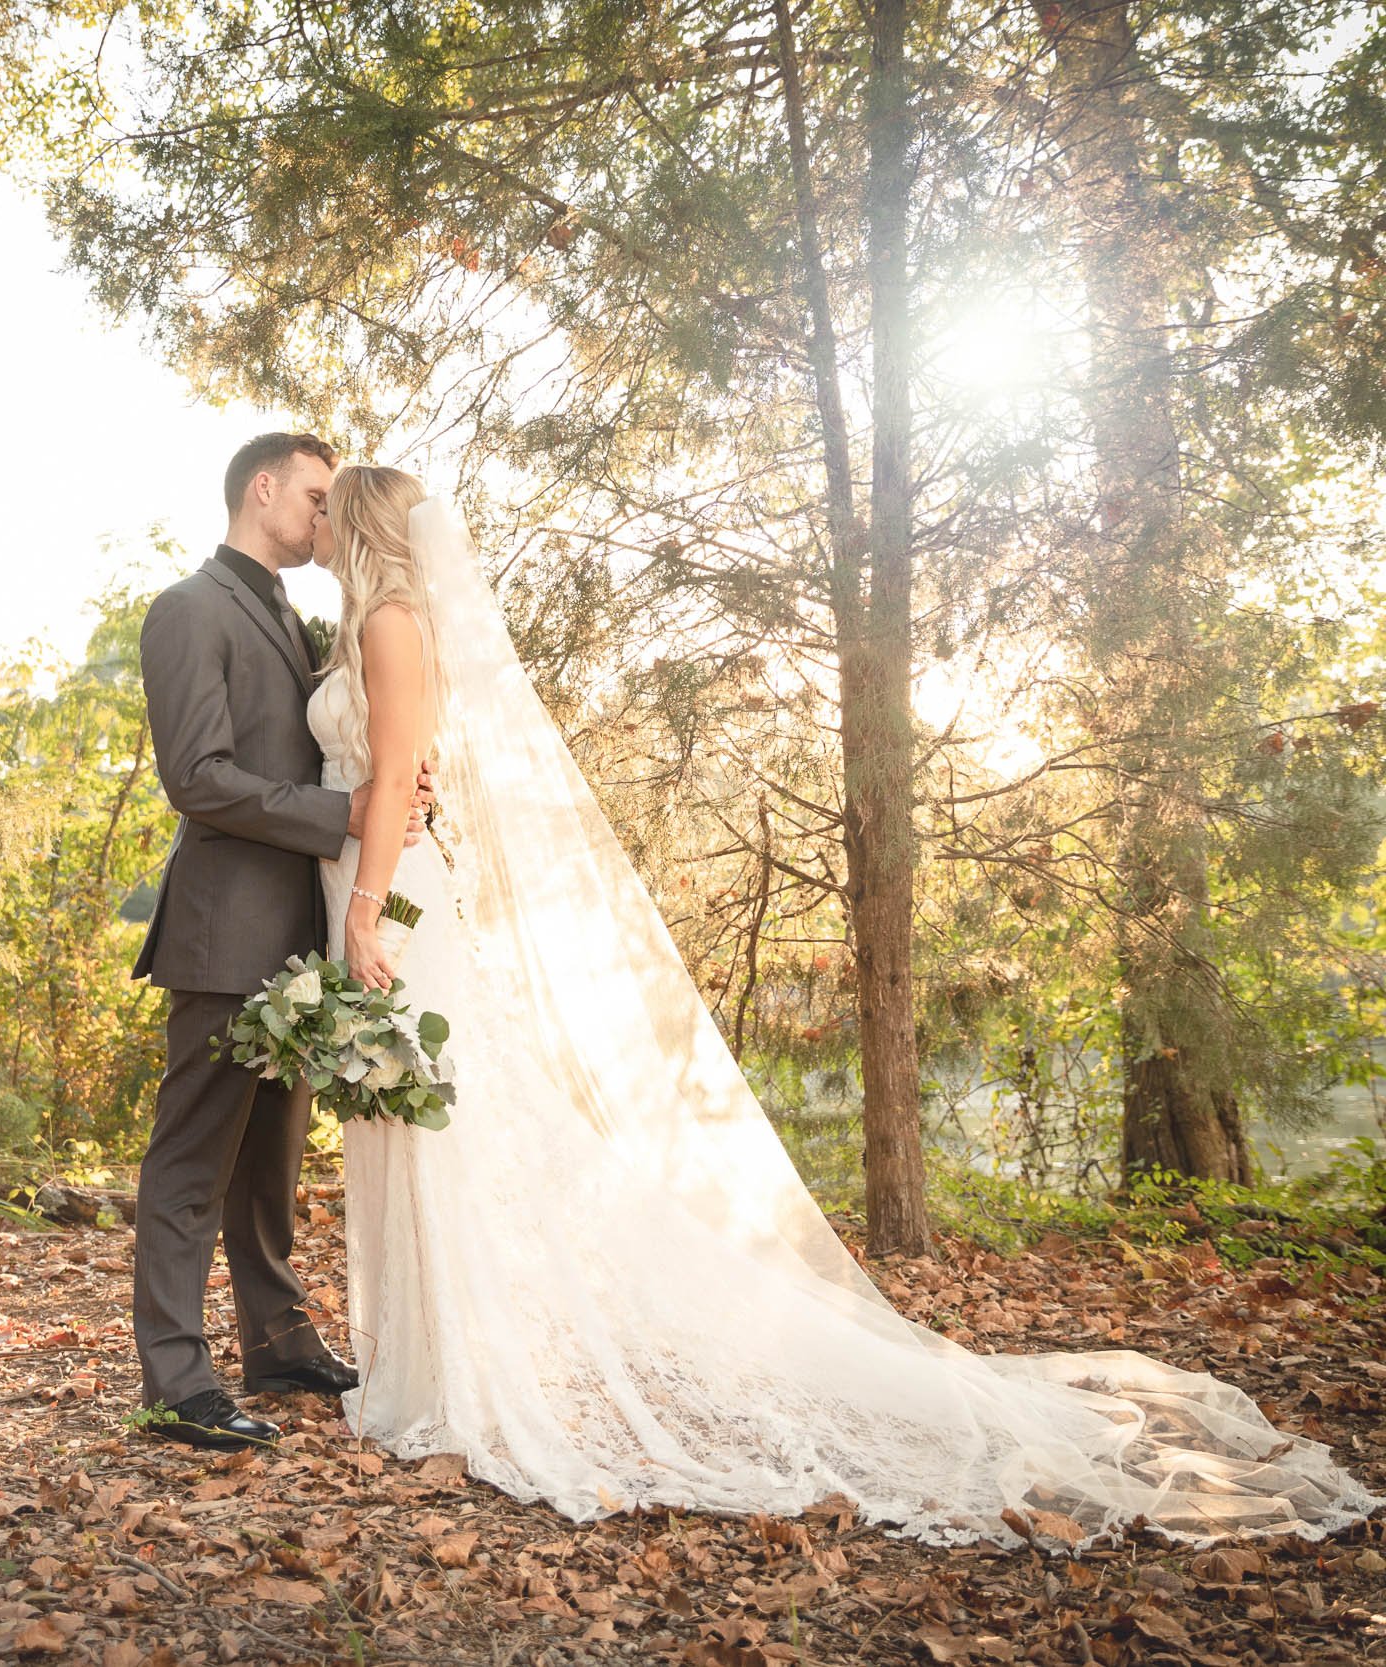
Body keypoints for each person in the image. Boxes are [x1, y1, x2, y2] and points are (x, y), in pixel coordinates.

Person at [305, 464, 1381, 1547]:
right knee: (412, 1121)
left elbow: (396, 777)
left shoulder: (394, 621)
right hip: (379, 882)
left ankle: (458, 1375)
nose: (313, 524)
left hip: (391, 896)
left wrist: (361, 912)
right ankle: (432, 1359)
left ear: (355, 525)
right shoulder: (377, 624)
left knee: (436, 1122)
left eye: (324, 509)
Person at [129, 433, 430, 1452]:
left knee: (269, 1165)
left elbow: (357, 743)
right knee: (189, 1165)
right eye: (312, 494)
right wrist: (339, 814)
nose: (324, 513)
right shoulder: (186, 609)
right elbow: (198, 778)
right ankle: (175, 1377)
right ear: (261, 491)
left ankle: (279, 1339)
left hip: (300, 940)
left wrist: (395, 786)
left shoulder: (299, 619)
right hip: (221, 935)